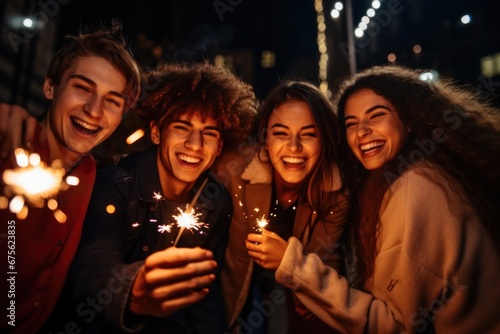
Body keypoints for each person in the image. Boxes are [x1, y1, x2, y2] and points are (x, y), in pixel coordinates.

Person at [272, 64, 500, 333]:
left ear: (410, 118)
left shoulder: (414, 190)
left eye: (375, 115)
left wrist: (292, 264)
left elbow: (393, 324)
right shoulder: (429, 169)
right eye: (351, 123)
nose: (362, 131)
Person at [66, 61, 259, 333]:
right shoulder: (115, 185)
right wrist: (134, 288)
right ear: (157, 132)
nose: (195, 144)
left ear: (218, 149)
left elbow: (204, 292)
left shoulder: (216, 202)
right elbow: (92, 264)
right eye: (182, 127)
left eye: (209, 133)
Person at [0, 20, 142, 333]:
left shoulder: (98, 175)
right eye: (82, 88)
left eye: (112, 101)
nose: (94, 110)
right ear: (50, 86)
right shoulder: (8, 147)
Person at [214, 81, 349, 333]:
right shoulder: (234, 170)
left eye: (309, 134)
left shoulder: (335, 189)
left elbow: (326, 256)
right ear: (265, 138)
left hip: (292, 286)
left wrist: (290, 263)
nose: (294, 147)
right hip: (236, 286)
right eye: (281, 133)